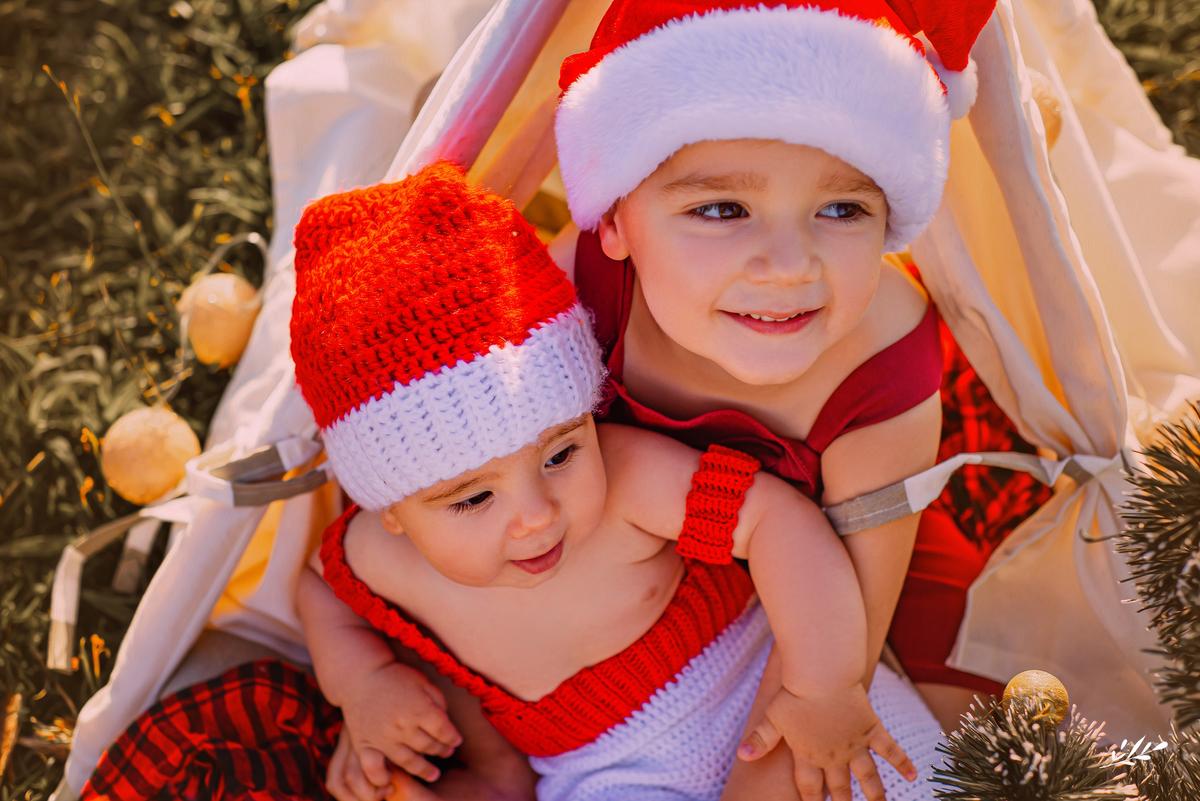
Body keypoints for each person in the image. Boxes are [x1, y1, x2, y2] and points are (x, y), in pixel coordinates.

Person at [291, 161, 930, 801]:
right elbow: (317, 587)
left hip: (760, 680)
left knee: (896, 779)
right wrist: (362, 681)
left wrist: (822, 688)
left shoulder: (625, 478)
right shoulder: (372, 555)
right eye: (476, 498)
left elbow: (777, 520)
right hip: (604, 773)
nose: (538, 513)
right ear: (391, 510)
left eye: (560, 456)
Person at [544, 2, 1051, 760]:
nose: (788, 266)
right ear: (613, 221)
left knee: (976, 732)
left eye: (842, 209)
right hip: (648, 555)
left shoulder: (883, 360)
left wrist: (807, 724)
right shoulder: (578, 289)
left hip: (853, 570)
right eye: (723, 209)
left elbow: (837, 665)